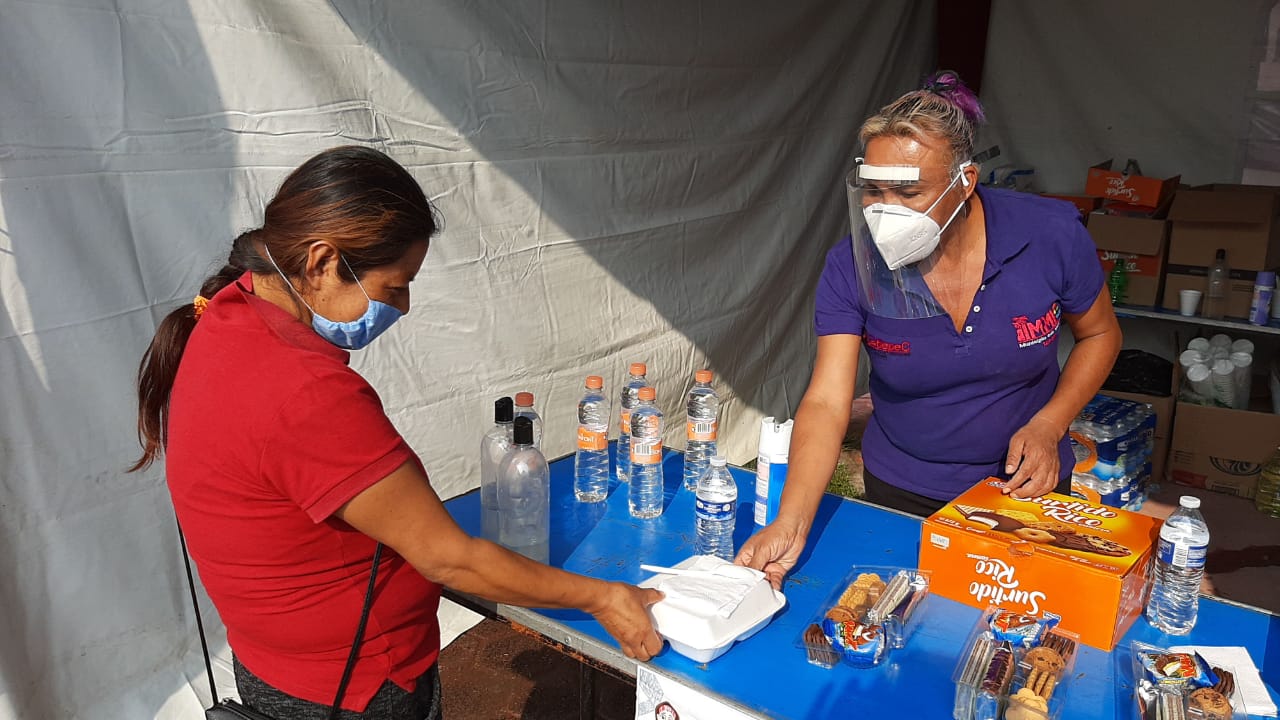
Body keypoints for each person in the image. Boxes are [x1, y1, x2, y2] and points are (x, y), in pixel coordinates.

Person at [130, 146, 663, 719]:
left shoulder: (224, 314)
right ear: (321, 262)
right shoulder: (305, 393)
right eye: (395, 286)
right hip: (353, 688)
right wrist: (604, 598)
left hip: (273, 665)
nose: (404, 307)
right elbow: (449, 558)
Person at [738, 72, 1122, 589]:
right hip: (904, 489)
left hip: (1025, 488)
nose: (886, 212)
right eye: (873, 190)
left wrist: (1051, 425)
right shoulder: (852, 264)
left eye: (909, 191)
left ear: (965, 182)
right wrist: (791, 522)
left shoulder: (1048, 235)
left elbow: (1100, 335)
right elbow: (828, 401)